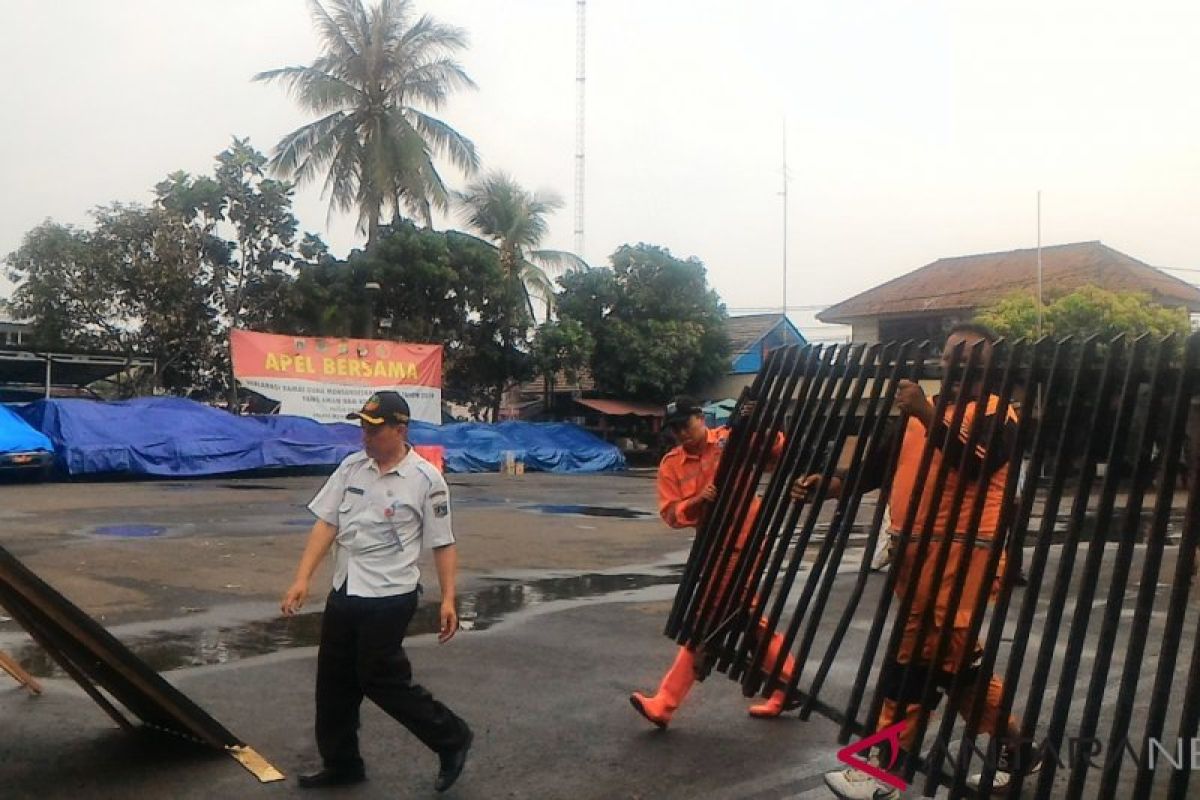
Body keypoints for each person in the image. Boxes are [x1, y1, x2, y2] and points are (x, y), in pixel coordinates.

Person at [797, 324, 1039, 799]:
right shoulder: (917, 417)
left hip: (965, 557)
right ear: (941, 361)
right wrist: (830, 484)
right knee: (955, 668)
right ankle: (1018, 744)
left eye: (973, 356)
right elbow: (876, 469)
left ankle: (885, 770)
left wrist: (928, 414)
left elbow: (975, 464)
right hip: (918, 559)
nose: (960, 362)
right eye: (953, 354)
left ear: (989, 368)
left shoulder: (999, 414)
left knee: (911, 661)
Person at [281, 391, 473, 793]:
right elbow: (326, 524)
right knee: (333, 684)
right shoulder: (352, 467)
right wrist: (302, 578)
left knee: (380, 679)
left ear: (400, 430)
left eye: (374, 429)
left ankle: (451, 737)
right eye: (363, 428)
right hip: (346, 588)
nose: (365, 437)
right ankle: (342, 763)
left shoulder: (426, 480)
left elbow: (443, 542)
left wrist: (449, 599)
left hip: (390, 595)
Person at [629, 396, 797, 728]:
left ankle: (665, 703)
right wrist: (695, 502)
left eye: (685, 425)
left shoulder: (729, 439)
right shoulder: (671, 464)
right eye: (674, 429)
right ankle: (786, 684)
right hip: (712, 548)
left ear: (701, 417)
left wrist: (757, 423)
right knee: (746, 618)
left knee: (706, 620)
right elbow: (671, 514)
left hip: (745, 541)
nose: (680, 434)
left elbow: (776, 451)